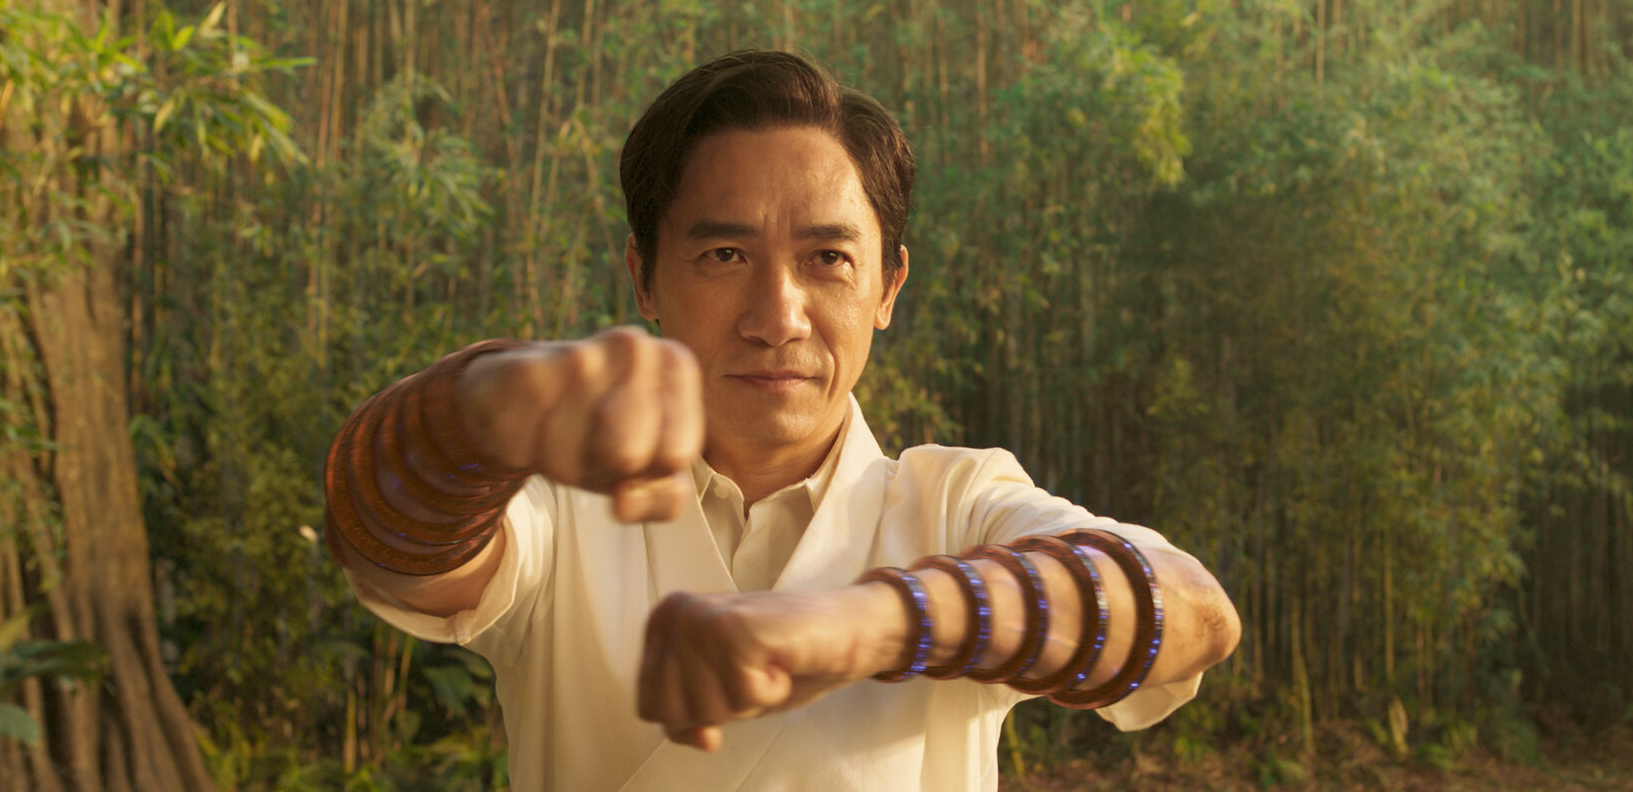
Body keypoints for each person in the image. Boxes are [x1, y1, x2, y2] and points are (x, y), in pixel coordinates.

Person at [323, 50, 1240, 791]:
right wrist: (476, 414)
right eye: (724, 253)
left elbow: (1192, 613)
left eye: (827, 259)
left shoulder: (954, 507)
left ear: (888, 286)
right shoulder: (559, 508)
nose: (777, 317)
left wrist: (869, 624)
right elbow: (385, 537)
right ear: (644, 278)